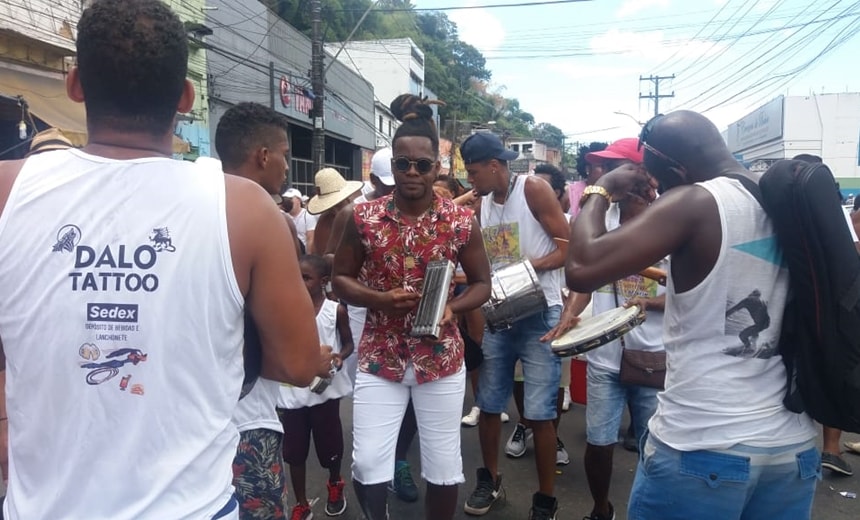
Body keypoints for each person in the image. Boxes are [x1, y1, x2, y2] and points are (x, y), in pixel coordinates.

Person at [0, 1, 334, 519]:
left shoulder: (8, 192)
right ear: (185, 96)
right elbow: (296, 363)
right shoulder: (245, 208)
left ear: (75, 84)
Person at [567, 110, 819, 519]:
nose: (657, 192)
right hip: (791, 448)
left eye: (658, 180)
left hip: (703, 448)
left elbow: (581, 268)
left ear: (675, 168)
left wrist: (599, 190)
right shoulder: (784, 195)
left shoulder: (697, 201)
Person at [332, 94, 492, 520]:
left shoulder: (460, 222)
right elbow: (340, 279)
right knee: (368, 463)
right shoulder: (361, 216)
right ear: (390, 167)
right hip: (379, 356)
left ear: (437, 168)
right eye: (403, 164)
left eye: (423, 165)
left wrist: (454, 310)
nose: (412, 173)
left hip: (439, 358)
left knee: (443, 467)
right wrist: (379, 299)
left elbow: (482, 284)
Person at [462, 132, 570, 519]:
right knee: (489, 405)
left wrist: (526, 269)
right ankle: (490, 479)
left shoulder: (534, 190)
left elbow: (566, 249)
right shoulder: (482, 205)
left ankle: (545, 500)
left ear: (495, 165)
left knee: (540, 412)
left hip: (541, 313)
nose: (470, 181)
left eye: (474, 172)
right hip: (499, 315)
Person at [564, 140, 666, 520]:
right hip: (604, 357)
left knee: (654, 447)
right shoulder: (596, 223)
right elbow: (583, 279)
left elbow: (693, 294)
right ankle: (600, 509)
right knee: (598, 443)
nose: (600, 175)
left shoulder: (670, 223)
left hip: (654, 356)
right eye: (600, 169)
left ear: (640, 175)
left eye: (611, 168)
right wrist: (571, 313)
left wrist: (650, 303)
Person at [213, 101, 296, 519]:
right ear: (263, 156)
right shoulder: (270, 221)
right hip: (248, 420)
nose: (286, 166)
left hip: (192, 424)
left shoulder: (189, 213)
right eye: (283, 153)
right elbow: (293, 361)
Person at [791, 153, 855, 477]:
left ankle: (830, 448)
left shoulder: (784, 208)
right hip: (840, 306)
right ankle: (831, 447)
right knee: (839, 370)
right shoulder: (834, 212)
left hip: (821, 306)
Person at [504, 163, 573, 467]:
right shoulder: (509, 213)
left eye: (543, 187)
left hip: (553, 310)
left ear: (557, 193)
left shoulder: (566, 222)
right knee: (520, 377)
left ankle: (550, 432)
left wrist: (571, 307)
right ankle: (523, 425)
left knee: (553, 384)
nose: (534, 192)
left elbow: (573, 260)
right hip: (511, 308)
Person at [280, 255, 354, 519]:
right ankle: (301, 502)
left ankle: (335, 482)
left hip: (325, 392)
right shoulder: (285, 309)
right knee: (294, 451)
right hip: (293, 392)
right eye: (296, 276)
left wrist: (340, 357)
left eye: (306, 278)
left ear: (323, 282)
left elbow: (348, 344)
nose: (300, 283)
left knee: (329, 443)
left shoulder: (335, 311)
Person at [307, 168, 363, 256]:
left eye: (338, 205)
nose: (336, 212)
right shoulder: (325, 222)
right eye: (330, 208)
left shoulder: (361, 215)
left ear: (348, 199)